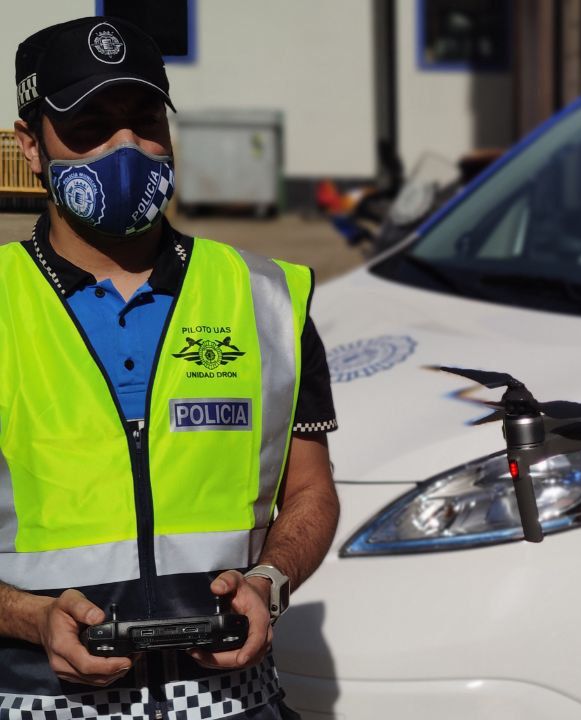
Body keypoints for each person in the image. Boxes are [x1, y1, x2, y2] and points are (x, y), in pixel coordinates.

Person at [0, 17, 339, 719]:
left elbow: (310, 491)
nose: (126, 148)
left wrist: (271, 583)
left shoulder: (268, 296)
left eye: (145, 119)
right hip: (40, 703)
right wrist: (31, 619)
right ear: (30, 145)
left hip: (233, 702)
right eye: (90, 124)